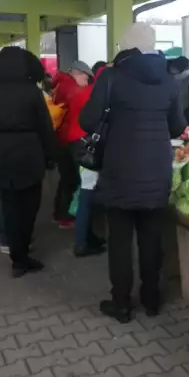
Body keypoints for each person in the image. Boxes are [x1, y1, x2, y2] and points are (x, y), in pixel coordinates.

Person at [80, 23, 186, 323]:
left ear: (125, 45)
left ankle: (122, 304)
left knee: (120, 242)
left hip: (120, 170)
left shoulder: (111, 77)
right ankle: (152, 300)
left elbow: (88, 121)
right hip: (156, 170)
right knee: (152, 239)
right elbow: (177, 127)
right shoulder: (168, 80)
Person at [0, 46, 56, 277]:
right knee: (30, 206)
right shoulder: (31, 91)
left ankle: (17, 258)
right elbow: (45, 127)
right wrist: (49, 156)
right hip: (29, 151)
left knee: (9, 206)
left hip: (2, 151)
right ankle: (23, 253)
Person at [72, 62, 108, 258]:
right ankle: (81, 243)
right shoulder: (97, 96)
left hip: (84, 148)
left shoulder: (88, 93)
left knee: (88, 195)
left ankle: (89, 236)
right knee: (86, 196)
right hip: (92, 152)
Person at [53, 61, 93, 229]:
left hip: (62, 138)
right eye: (86, 78)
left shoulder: (60, 86)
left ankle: (59, 213)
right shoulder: (73, 89)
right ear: (78, 73)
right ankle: (68, 215)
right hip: (75, 139)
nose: (86, 82)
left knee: (66, 178)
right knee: (76, 179)